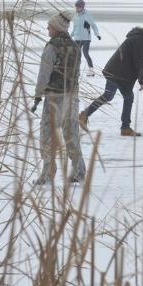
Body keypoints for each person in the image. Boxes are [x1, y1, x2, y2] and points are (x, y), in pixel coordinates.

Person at [32, 10, 86, 185]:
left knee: (46, 135)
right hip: (72, 96)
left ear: (56, 27)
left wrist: (38, 95)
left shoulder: (52, 47)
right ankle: (79, 170)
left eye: (50, 26)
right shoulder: (75, 47)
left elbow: (44, 74)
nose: (47, 28)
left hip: (54, 97)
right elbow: (75, 74)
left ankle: (48, 171)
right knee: (71, 134)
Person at [79, 24, 143, 136]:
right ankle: (85, 115)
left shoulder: (141, 39)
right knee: (111, 96)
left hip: (121, 73)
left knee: (125, 97)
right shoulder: (141, 41)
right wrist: (142, 80)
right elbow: (139, 62)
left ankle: (125, 128)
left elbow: (138, 61)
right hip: (117, 72)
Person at [72, 0, 101, 76]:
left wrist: (97, 34)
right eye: (76, 7)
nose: (77, 8)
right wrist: (70, 35)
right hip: (77, 38)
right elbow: (75, 27)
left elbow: (93, 25)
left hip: (86, 38)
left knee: (85, 53)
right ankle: (75, 70)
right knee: (76, 54)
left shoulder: (87, 15)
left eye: (79, 7)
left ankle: (91, 70)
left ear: (82, 7)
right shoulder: (75, 16)